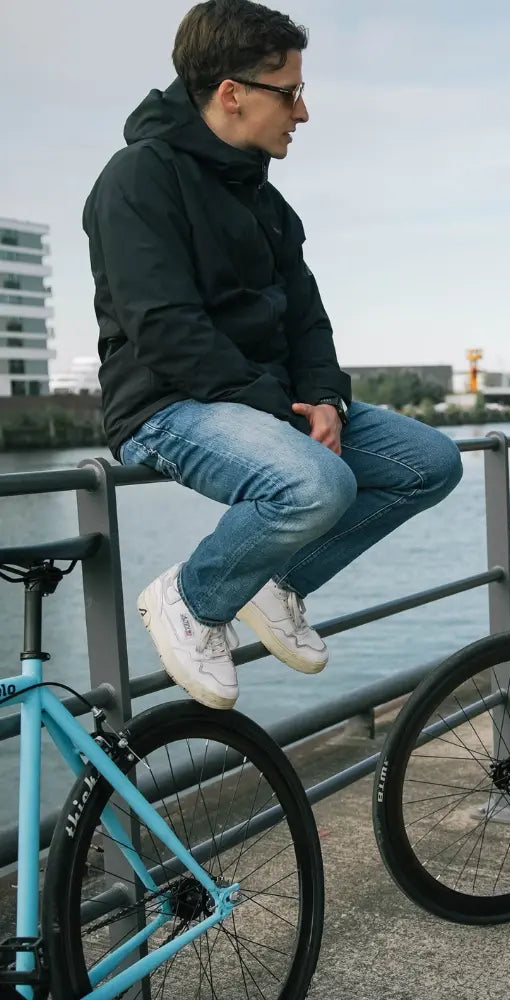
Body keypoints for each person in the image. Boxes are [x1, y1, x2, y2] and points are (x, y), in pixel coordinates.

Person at [83, 0, 462, 711]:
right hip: (167, 403)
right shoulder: (137, 180)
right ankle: (195, 597)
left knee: (430, 464)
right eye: (290, 92)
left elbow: (309, 320)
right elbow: (163, 328)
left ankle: (277, 580)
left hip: (271, 402)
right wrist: (279, 411)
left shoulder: (265, 198)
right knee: (318, 484)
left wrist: (324, 400)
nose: (303, 112)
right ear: (232, 94)